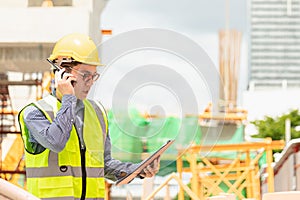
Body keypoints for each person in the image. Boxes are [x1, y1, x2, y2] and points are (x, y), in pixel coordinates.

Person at [18, 33, 160, 200]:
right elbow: (56, 142)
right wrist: (68, 98)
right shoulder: (35, 113)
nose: (90, 82)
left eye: (94, 76)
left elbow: (104, 165)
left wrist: (136, 170)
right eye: (85, 75)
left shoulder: (97, 113)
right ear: (63, 73)